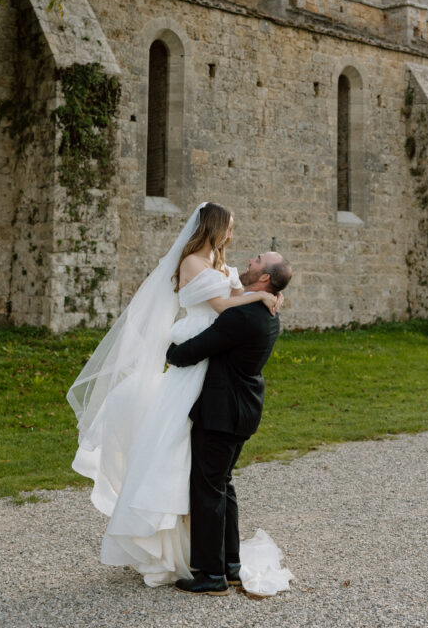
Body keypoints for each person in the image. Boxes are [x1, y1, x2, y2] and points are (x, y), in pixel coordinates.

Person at [67, 202, 280, 586]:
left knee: (209, 477)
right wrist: (260, 297)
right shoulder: (192, 264)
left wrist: (264, 295)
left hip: (210, 368)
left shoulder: (218, 263)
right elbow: (221, 305)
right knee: (190, 463)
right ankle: (211, 563)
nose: (232, 235)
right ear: (214, 227)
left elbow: (233, 298)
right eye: (228, 227)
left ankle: (214, 567)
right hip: (200, 357)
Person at [166, 249, 292, 596]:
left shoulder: (246, 316)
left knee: (207, 489)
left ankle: (211, 575)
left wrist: (169, 351)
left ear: (265, 277)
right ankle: (231, 567)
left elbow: (196, 349)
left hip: (223, 411)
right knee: (223, 485)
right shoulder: (265, 310)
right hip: (243, 408)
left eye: (256, 261)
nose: (249, 262)